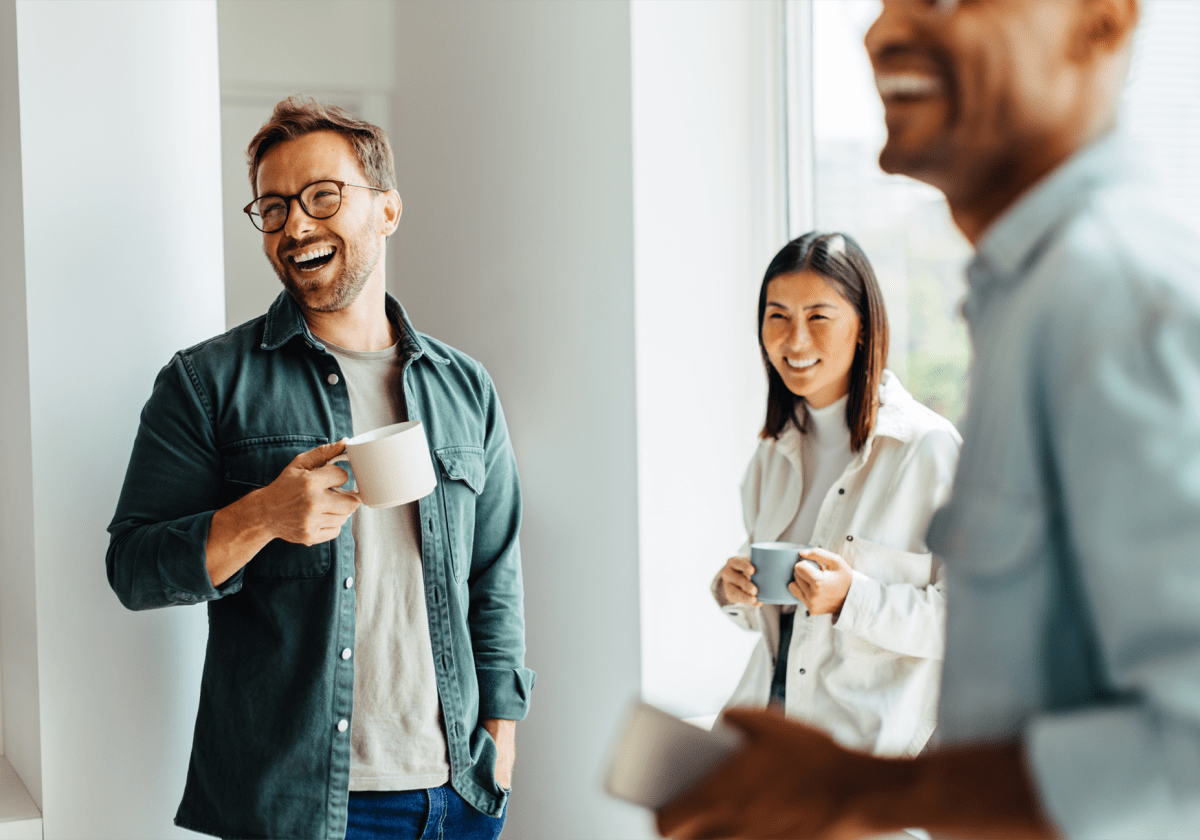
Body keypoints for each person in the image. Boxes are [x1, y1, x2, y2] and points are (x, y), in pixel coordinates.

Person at [658, 0, 1200, 837]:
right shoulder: (1029, 303)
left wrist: (869, 794)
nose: (882, 31)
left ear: (1104, 21)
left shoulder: (1117, 302)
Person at [107, 97, 534, 840]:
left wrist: (499, 749)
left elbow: (493, 577)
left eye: (322, 197)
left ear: (388, 210)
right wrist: (264, 515)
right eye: (273, 209)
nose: (295, 225)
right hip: (293, 809)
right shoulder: (207, 384)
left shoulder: (466, 389)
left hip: (457, 797)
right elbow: (134, 569)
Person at [713, 232, 960, 761]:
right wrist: (734, 592)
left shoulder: (927, 449)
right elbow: (783, 623)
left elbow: (972, 623)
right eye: (777, 316)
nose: (795, 341)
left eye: (818, 317)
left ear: (865, 329)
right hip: (766, 740)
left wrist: (854, 598)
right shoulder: (771, 456)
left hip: (864, 763)